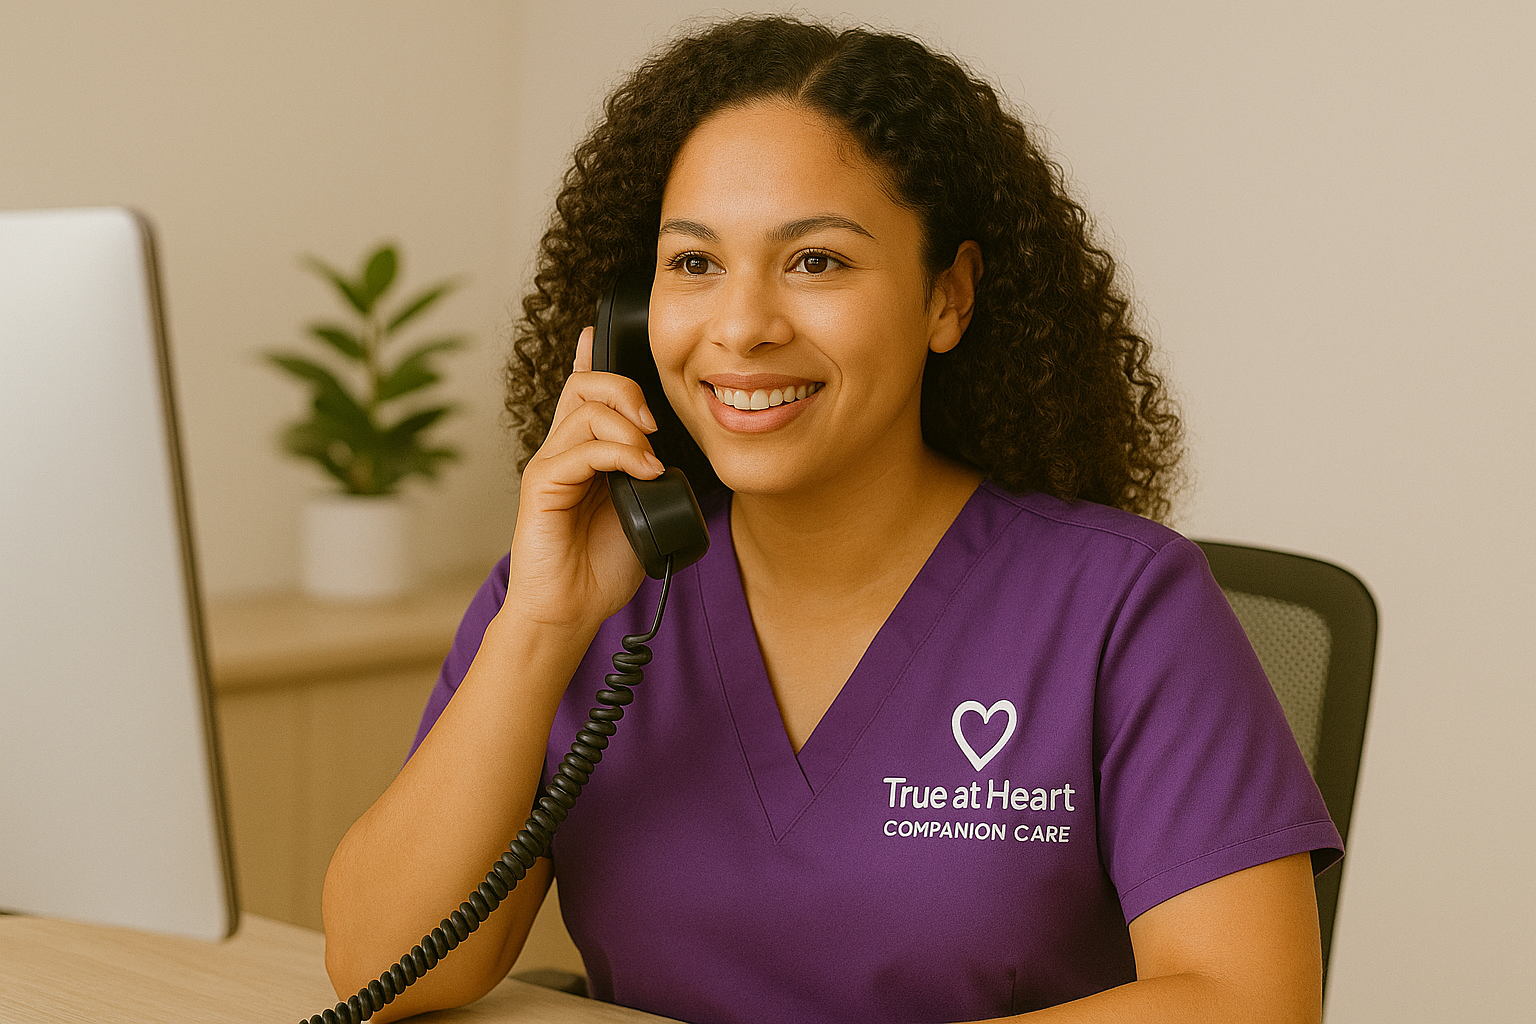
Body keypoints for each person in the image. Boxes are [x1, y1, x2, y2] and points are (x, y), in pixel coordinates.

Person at [321, 16, 1341, 1024]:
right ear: (632, 313)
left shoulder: (1123, 602)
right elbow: (383, 968)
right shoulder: (584, 595)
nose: (744, 325)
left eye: (816, 262)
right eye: (694, 263)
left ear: (947, 297)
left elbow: (1248, 1000)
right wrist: (540, 630)